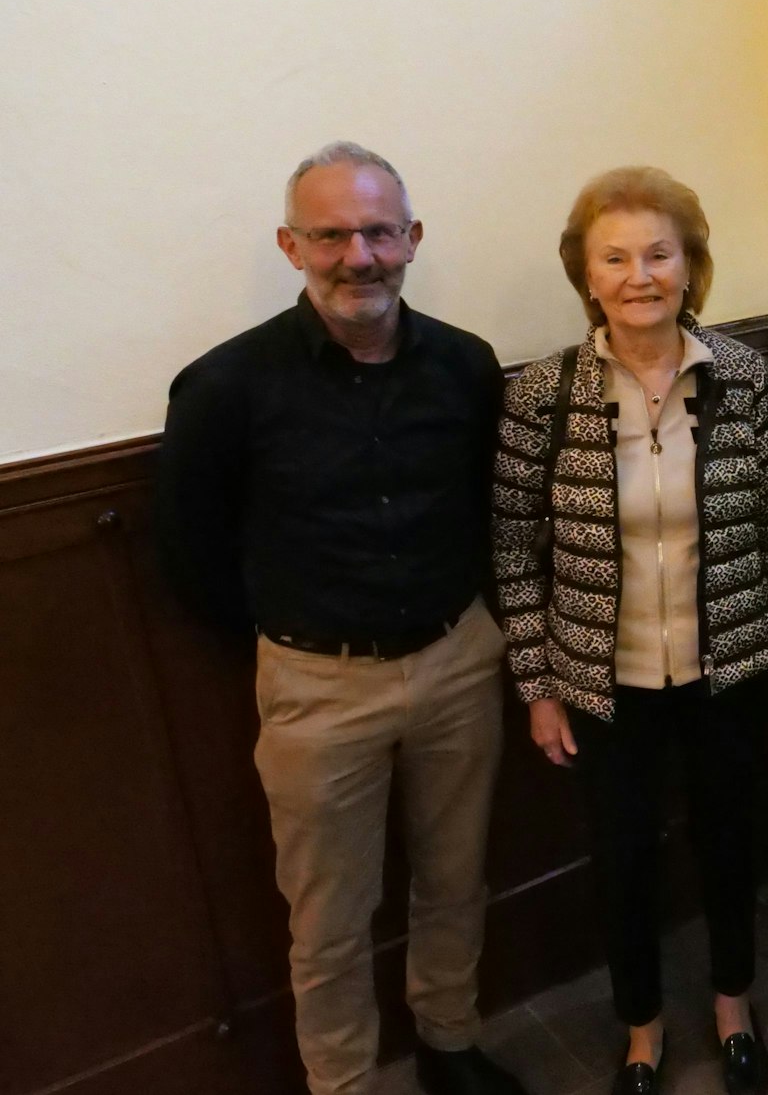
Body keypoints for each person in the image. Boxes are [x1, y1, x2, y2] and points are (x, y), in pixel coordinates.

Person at [155, 143, 524, 1095]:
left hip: (456, 661)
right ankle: (345, 1083)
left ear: (412, 238)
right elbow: (190, 556)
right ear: (291, 245)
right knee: (327, 919)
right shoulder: (224, 389)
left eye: (378, 231)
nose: (357, 255)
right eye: (330, 234)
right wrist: (295, 633)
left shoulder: (465, 364)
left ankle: (449, 1041)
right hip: (317, 685)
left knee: (455, 877)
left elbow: (492, 508)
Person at [491, 166, 768, 1095]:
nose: (640, 274)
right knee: (623, 859)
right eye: (616, 257)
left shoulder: (745, 377)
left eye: (659, 253)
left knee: (729, 840)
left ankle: (731, 1005)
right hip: (603, 678)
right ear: (587, 275)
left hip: (732, 667)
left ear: (690, 266)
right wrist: (540, 684)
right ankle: (640, 1029)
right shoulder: (543, 395)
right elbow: (516, 548)